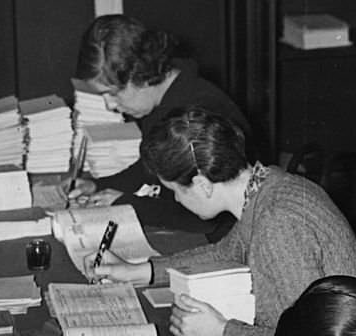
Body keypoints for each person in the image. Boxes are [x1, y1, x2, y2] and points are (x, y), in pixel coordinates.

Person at [88, 108, 356, 336]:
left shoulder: (277, 223)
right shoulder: (268, 185)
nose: (177, 200)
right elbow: (226, 252)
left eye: (176, 191)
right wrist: (143, 271)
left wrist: (223, 332)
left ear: (201, 184)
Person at [70, 14, 251, 238]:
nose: (110, 105)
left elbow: (205, 215)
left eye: (113, 94)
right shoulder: (164, 100)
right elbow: (152, 167)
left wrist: (127, 203)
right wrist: (98, 186)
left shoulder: (195, 115)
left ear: (141, 76)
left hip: (225, 237)